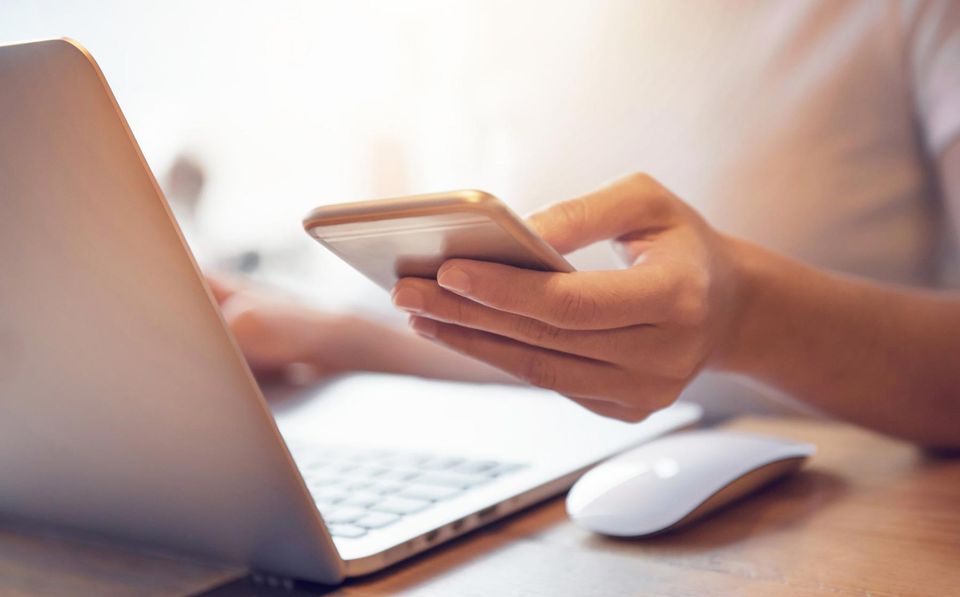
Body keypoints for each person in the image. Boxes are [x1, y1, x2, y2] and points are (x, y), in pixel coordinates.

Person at [209, 0, 960, 449]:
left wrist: (746, 314)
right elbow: (544, 339)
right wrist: (328, 335)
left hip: (854, 514)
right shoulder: (507, 30)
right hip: (572, 501)